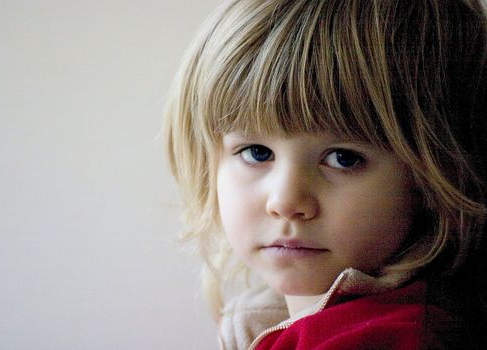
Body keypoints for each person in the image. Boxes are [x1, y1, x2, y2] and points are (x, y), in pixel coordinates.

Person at [164, 0, 487, 348]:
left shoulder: (396, 339)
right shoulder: (267, 317)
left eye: (343, 158)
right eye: (257, 153)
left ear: (436, 172)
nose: (285, 202)